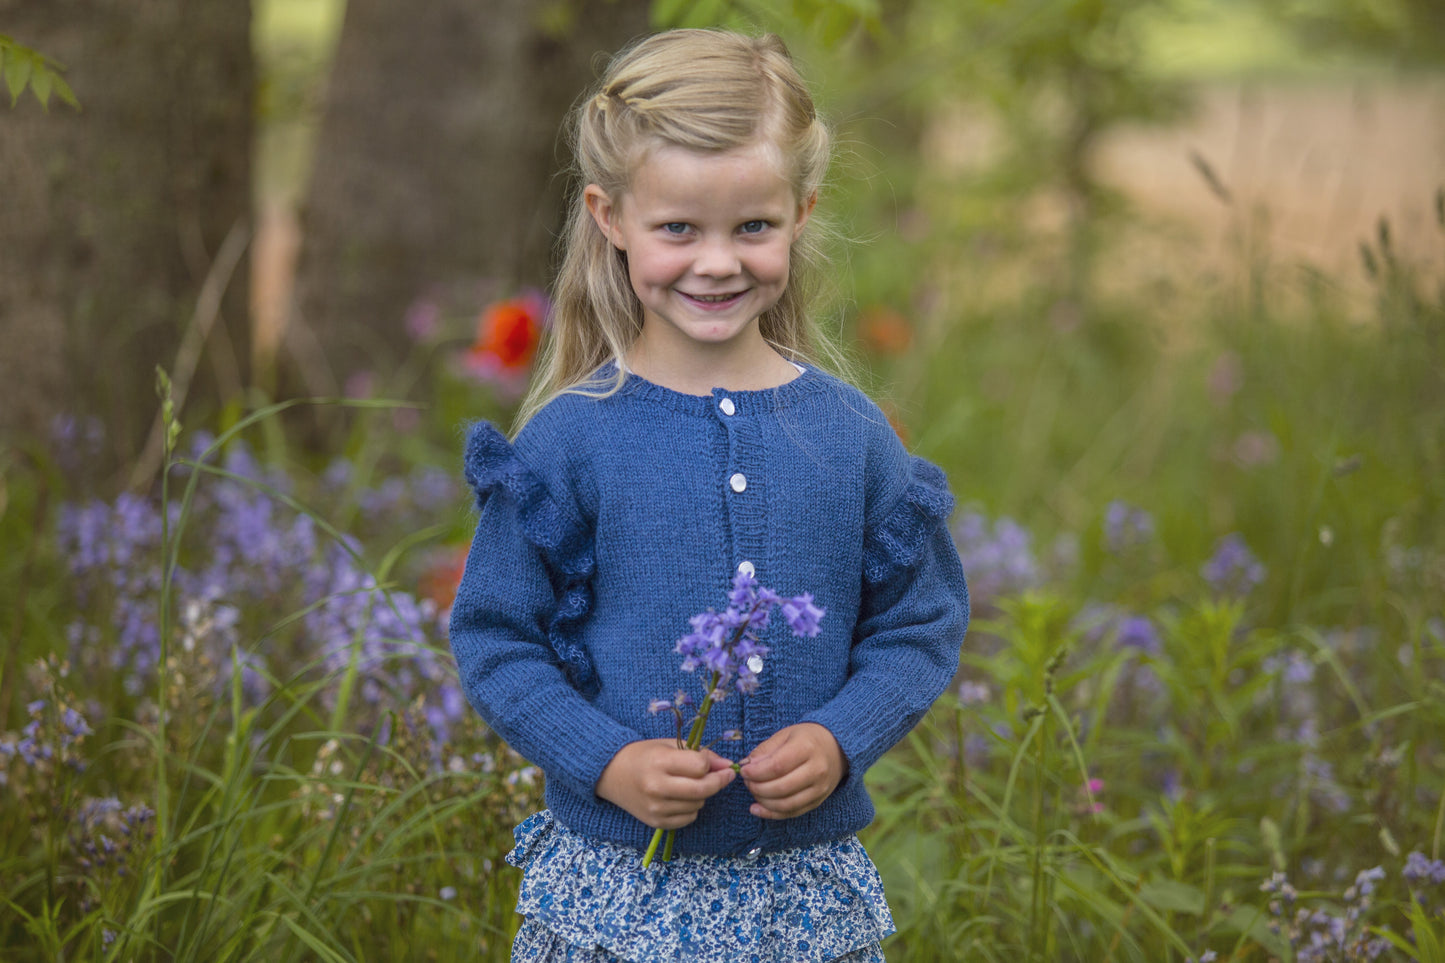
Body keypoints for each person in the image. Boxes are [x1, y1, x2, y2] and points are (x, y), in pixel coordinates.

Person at [448, 28, 969, 962]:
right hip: (619, 892)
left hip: (800, 896)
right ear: (611, 217)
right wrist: (606, 762)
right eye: (678, 228)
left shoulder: (847, 434)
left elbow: (918, 619)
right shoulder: (573, 437)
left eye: (753, 228)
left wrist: (842, 736)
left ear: (802, 213)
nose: (717, 262)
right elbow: (496, 637)